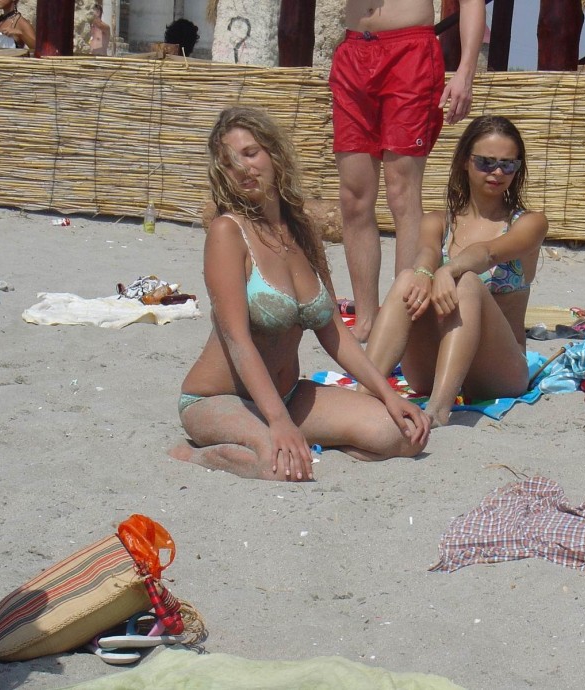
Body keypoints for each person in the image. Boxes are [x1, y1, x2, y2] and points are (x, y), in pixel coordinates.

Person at [171, 106, 431, 482]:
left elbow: (331, 328)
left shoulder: (303, 231)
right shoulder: (228, 233)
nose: (243, 168)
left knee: (404, 435)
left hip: (290, 396)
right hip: (218, 399)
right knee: (277, 467)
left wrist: (388, 394)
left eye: (250, 153)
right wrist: (277, 422)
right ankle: (193, 456)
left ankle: (297, 435)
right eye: (229, 163)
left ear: (274, 154)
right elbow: (237, 339)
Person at [362, 115, 548, 427]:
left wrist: (449, 271)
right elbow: (427, 252)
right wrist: (426, 270)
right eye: (486, 163)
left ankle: (438, 410)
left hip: (499, 371)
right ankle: (364, 391)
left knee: (469, 283)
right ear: (465, 161)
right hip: (432, 367)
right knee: (410, 277)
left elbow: (489, 252)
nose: (498, 172)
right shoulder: (438, 222)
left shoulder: (528, 223)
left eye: (508, 164)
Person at [330, 0, 486, 343]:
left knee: (402, 193)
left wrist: (465, 72)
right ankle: (368, 319)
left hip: (410, 51)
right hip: (355, 48)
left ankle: (402, 318)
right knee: (353, 196)